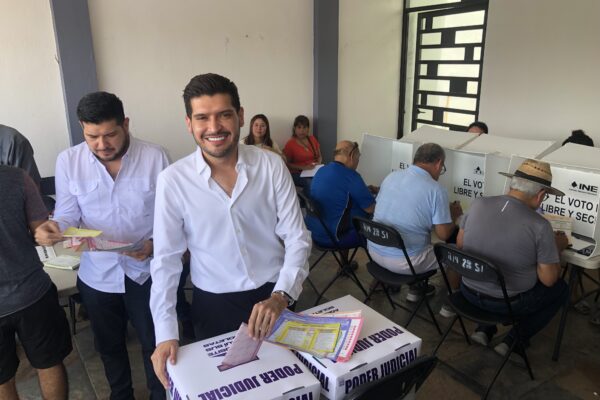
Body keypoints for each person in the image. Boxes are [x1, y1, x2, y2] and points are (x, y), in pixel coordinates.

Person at [149, 73, 311, 389]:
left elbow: (297, 237)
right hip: (214, 305)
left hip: (275, 295)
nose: (214, 127)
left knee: (288, 385)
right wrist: (165, 333)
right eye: (202, 117)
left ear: (240, 116)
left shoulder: (270, 165)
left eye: (224, 114)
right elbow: (166, 261)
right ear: (189, 123)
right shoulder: (173, 180)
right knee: (229, 389)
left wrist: (282, 295)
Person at [35, 91, 169, 400]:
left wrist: (153, 245)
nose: (101, 144)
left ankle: (160, 395)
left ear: (126, 124)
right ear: (82, 128)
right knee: (109, 346)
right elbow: (68, 212)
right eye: (92, 136)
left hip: (146, 271)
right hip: (98, 274)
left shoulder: (155, 157)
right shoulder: (69, 161)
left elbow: (172, 216)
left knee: (154, 342)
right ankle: (120, 395)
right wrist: (55, 226)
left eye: (110, 134)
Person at [457, 159, 569, 361]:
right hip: (505, 304)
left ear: (512, 184)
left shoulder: (478, 203)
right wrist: (556, 248)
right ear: (541, 195)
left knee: (492, 271)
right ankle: (514, 339)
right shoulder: (540, 225)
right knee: (560, 289)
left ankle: (484, 329)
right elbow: (549, 280)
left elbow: (460, 244)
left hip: (467, 290)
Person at [0, 166, 72, 400]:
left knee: (2, 378)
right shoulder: (17, 178)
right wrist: (45, 232)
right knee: (49, 362)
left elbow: (42, 232)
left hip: (33, 293)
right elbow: (41, 232)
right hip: (33, 293)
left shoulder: (17, 178)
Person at [369, 143, 462, 302]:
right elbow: (443, 234)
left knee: (419, 240)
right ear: (438, 163)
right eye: (442, 168)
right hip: (406, 262)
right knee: (456, 253)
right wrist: (454, 216)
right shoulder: (436, 189)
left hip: (374, 251)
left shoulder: (391, 176)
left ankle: (416, 290)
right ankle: (450, 303)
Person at [306, 140, 375, 249]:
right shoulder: (352, 176)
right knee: (376, 220)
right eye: (358, 157)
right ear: (351, 156)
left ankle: (344, 259)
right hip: (335, 239)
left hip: (313, 234)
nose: (357, 162)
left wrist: (364, 190)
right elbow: (371, 209)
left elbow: (337, 193)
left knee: (345, 208)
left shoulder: (321, 171)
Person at [283, 115, 322, 192]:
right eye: (299, 127)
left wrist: (318, 163)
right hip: (297, 173)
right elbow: (287, 164)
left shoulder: (312, 139)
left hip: (313, 170)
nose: (302, 130)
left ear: (308, 128)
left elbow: (319, 156)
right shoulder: (290, 144)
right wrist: (304, 167)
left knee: (327, 178)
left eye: (304, 127)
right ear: (295, 128)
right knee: (310, 183)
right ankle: (307, 199)